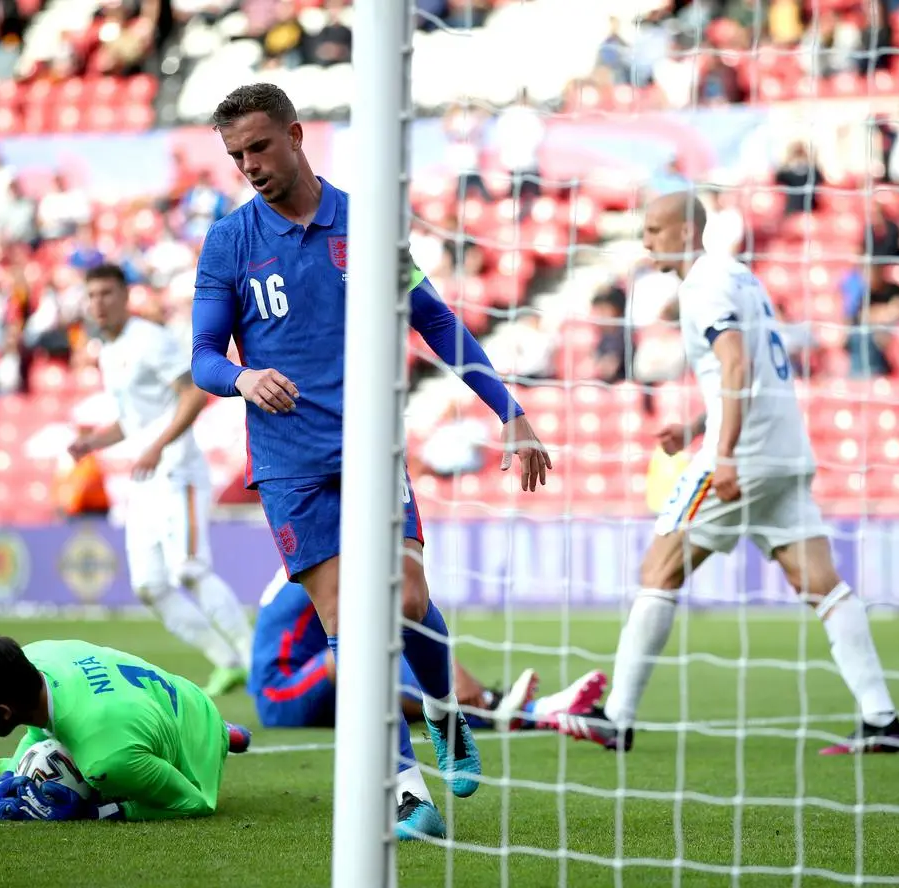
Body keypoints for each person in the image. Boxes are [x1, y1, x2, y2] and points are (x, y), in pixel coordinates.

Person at [190, 82, 553, 841]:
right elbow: (202, 358)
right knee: (345, 622)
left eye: (259, 147)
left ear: (295, 134)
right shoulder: (229, 241)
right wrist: (243, 376)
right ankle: (403, 790)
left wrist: (509, 411)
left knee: (409, 596)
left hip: (370, 444)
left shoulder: (366, 221)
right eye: (236, 156)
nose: (249, 165)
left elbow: (434, 319)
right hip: (289, 461)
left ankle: (446, 713)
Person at [555, 192, 899, 757]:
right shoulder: (741, 277)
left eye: (653, 228)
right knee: (819, 582)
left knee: (659, 569)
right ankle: (882, 719)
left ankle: (616, 717)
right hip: (785, 449)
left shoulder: (703, 284)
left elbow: (737, 362)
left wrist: (720, 454)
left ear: (687, 230)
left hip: (745, 453)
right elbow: (751, 373)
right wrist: (696, 427)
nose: (646, 241)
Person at [70, 263, 254, 698]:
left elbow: (193, 393)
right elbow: (135, 419)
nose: (98, 303)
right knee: (149, 585)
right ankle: (226, 661)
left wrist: (158, 444)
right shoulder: (108, 349)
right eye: (92, 295)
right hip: (148, 476)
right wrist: (93, 441)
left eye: (106, 293)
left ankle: (254, 661)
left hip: (178, 469)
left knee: (190, 569)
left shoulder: (148, 339)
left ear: (125, 295)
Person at [251, 567, 607, 731]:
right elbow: (382, 617)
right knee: (357, 652)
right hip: (281, 695)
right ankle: (499, 705)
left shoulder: (321, 545)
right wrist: (449, 668)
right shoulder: (327, 557)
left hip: (328, 688)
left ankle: (538, 710)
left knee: (399, 689)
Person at [0, 636, 252, 822]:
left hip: (187, 733)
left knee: (103, 778)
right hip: (153, 696)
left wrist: (92, 811)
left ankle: (219, 734)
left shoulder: (106, 758)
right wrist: (10, 779)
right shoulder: (33, 658)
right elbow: (38, 728)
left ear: (3, 711)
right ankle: (209, 730)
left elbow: (194, 804)